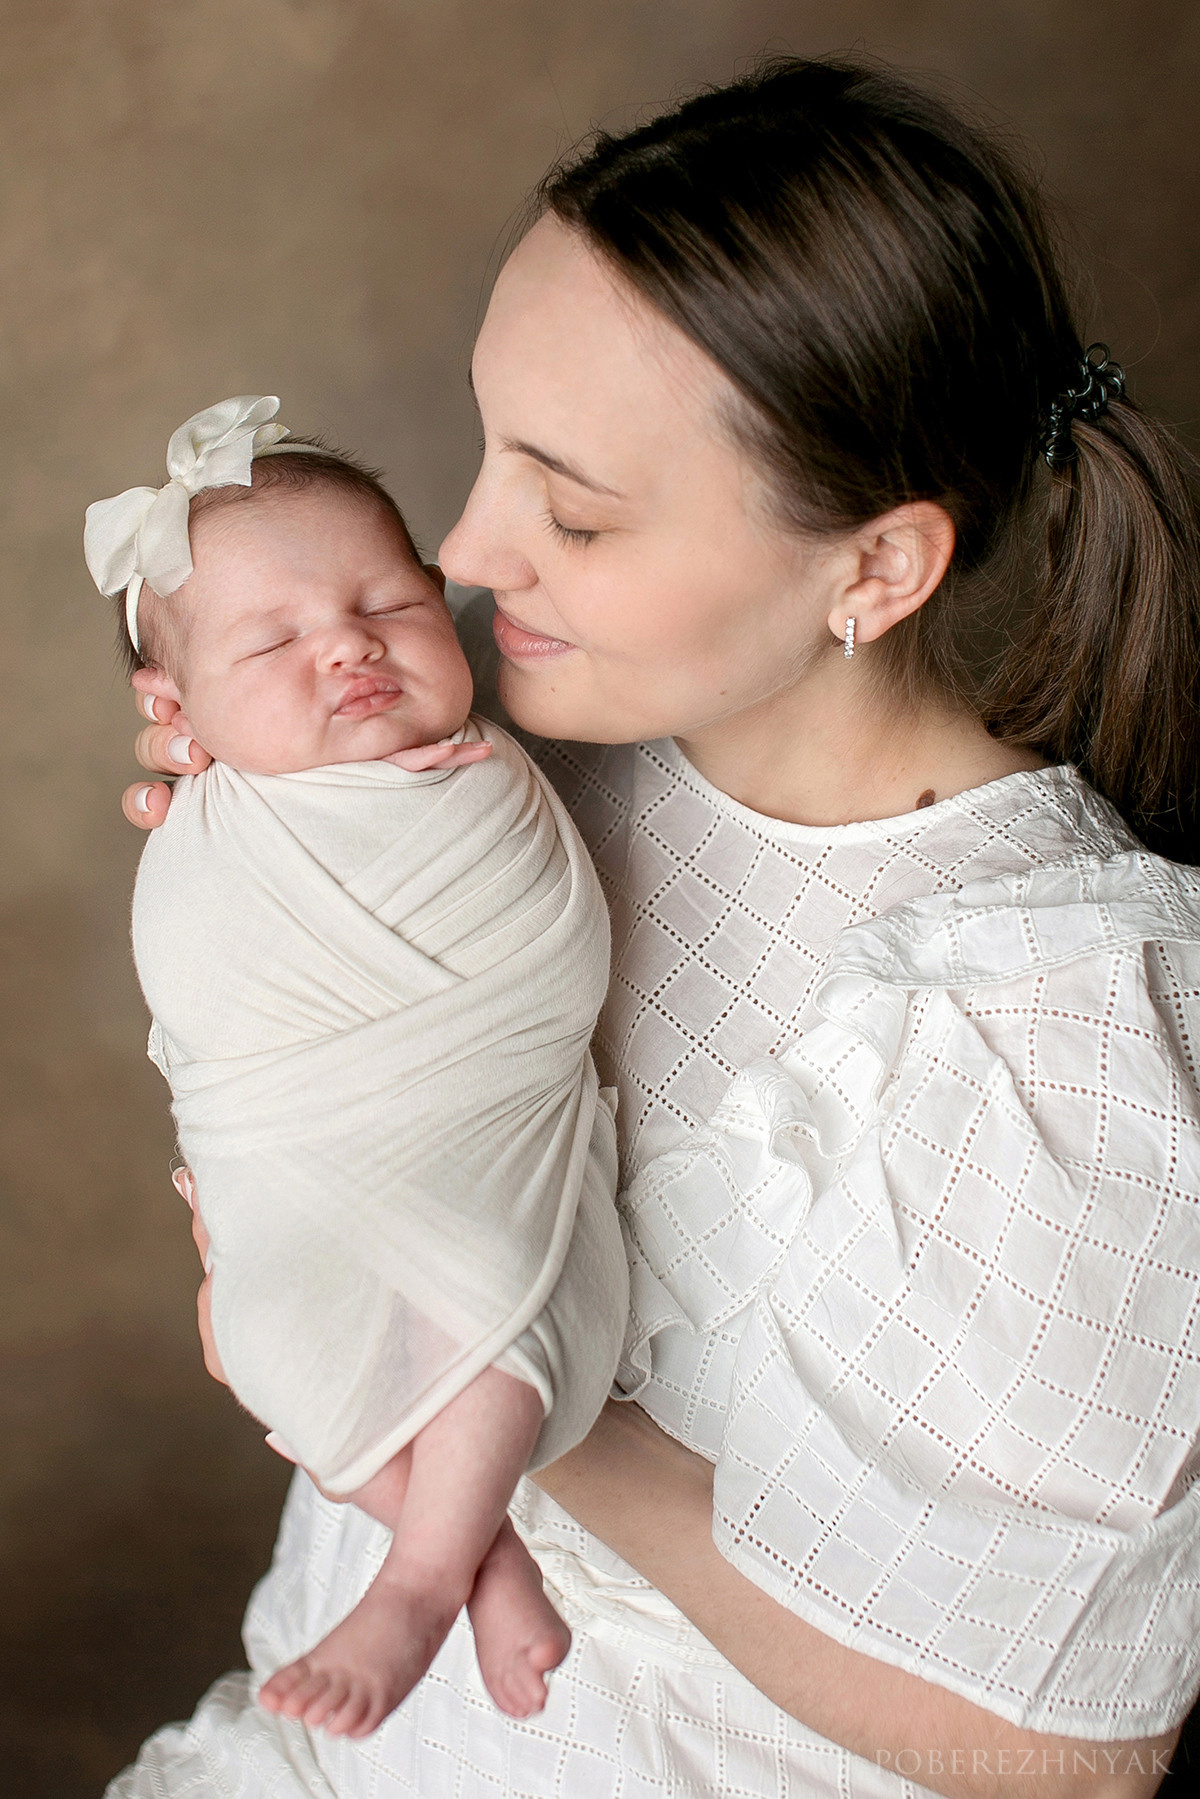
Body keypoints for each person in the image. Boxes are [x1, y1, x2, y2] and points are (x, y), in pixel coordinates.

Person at [109, 57, 1200, 1799]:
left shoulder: (1061, 1017)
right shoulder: (518, 758)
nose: (465, 546)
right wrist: (262, 837)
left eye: (578, 510)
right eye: (483, 455)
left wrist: (497, 1417)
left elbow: (1061, 1751)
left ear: (877, 569)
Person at [85, 398, 627, 1738]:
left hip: (481, 1143)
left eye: (389, 605)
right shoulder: (217, 816)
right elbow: (215, 1001)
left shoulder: (504, 763)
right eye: (271, 642)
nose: (346, 647)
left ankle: (427, 1575)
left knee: (498, 1298)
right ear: (177, 711)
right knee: (276, 1339)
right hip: (302, 1159)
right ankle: (486, 1565)